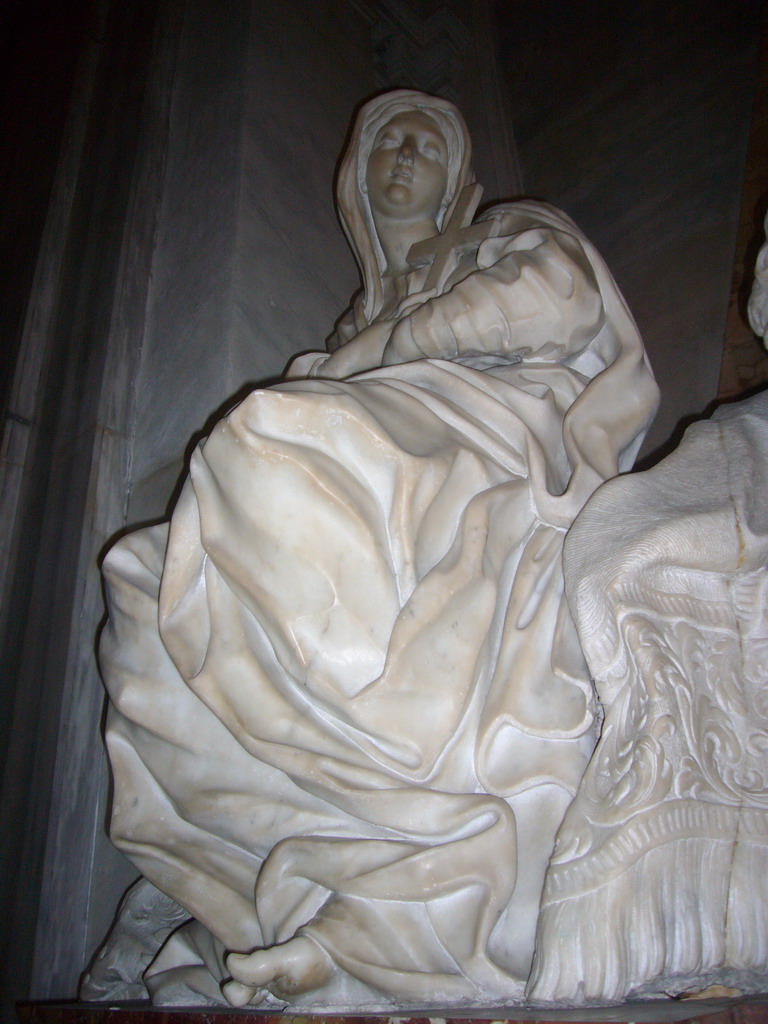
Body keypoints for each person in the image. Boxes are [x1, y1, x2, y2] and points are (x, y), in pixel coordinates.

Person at [91, 90, 659, 1008]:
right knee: (150, 589)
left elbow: (556, 298)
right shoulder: (349, 333)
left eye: (426, 145)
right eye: (384, 140)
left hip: (498, 445)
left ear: (457, 187)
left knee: (272, 447)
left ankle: (413, 859)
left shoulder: (502, 235)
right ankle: (309, 873)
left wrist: (388, 350)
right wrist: (363, 353)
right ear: (354, 178)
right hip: (403, 448)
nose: (400, 152)